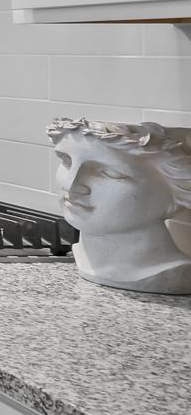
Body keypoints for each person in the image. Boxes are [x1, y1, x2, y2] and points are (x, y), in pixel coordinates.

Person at [49, 118, 191, 294]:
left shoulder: (175, 274)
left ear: (178, 193)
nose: (69, 185)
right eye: (66, 162)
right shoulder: (80, 254)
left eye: (110, 173)